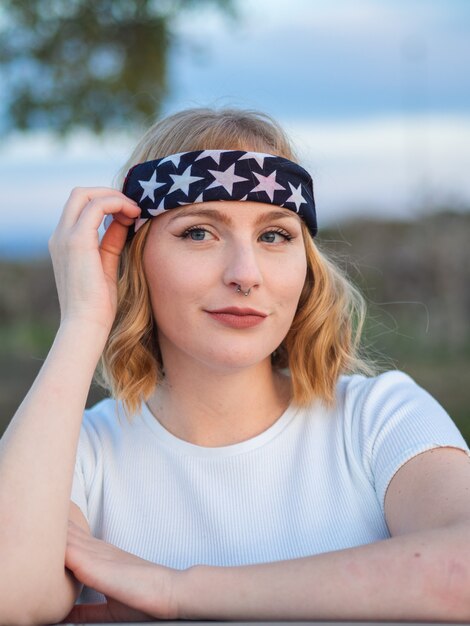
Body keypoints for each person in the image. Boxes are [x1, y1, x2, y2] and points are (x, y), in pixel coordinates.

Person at [1, 107, 470, 625]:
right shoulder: (78, 454)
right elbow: (12, 594)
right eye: (200, 233)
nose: (245, 275)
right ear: (134, 258)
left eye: (275, 236)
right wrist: (83, 322)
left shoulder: (378, 419)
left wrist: (177, 591)